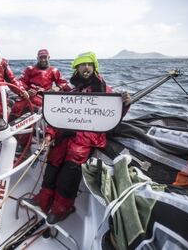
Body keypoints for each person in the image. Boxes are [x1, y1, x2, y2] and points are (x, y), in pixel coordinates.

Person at [25, 52, 131, 224]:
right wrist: (49, 135)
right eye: (82, 65)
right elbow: (58, 115)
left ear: (95, 67)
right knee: (52, 164)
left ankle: (61, 208)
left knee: (69, 173)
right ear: (77, 69)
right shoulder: (72, 90)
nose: (86, 68)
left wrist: (125, 104)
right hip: (64, 136)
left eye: (89, 64)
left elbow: (113, 114)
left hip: (85, 139)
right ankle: (43, 200)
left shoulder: (104, 90)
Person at [10, 49, 70, 149]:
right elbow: (21, 82)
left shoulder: (54, 71)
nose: (43, 60)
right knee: (15, 109)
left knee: (29, 113)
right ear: (37, 58)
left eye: (45, 57)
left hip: (42, 99)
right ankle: (10, 136)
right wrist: (27, 90)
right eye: (41, 57)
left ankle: (24, 143)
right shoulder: (29, 69)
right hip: (27, 96)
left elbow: (64, 83)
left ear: (48, 58)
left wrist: (56, 88)